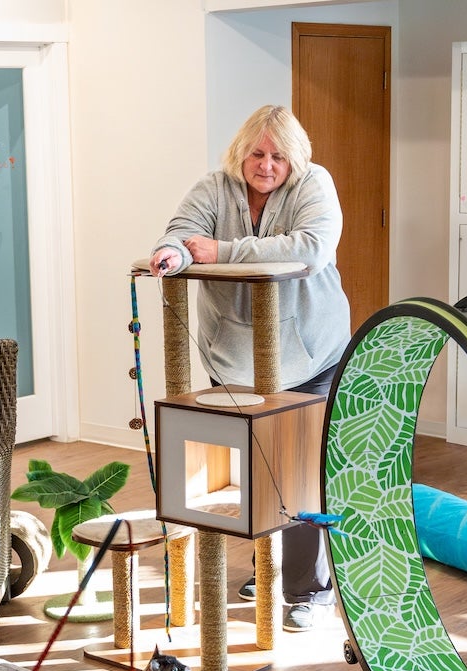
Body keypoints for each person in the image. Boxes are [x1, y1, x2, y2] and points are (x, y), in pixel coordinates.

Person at [148, 105, 351, 632]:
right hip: (233, 357)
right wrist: (171, 252)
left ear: (295, 158)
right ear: (240, 152)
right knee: (254, 471)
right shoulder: (213, 187)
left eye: (278, 156)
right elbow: (181, 231)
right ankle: (269, 569)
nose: (265, 165)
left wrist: (221, 251)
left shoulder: (315, 185)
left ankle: (309, 589)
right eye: (256, 153)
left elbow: (312, 249)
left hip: (311, 356)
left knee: (301, 472)